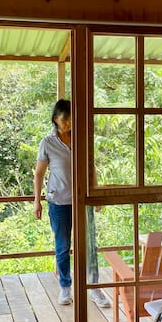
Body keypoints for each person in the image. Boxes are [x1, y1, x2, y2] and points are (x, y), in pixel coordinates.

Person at [34, 99, 110, 307]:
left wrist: (96, 194)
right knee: (63, 246)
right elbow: (39, 174)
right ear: (55, 119)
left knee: (89, 246)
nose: (68, 124)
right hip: (58, 201)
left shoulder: (82, 138)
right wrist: (37, 201)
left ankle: (93, 288)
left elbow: (91, 168)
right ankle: (65, 288)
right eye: (64, 120)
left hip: (83, 200)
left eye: (71, 120)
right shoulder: (47, 143)